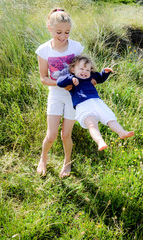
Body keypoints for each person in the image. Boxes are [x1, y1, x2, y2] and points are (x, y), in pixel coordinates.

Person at [35, 8, 84, 178]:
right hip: (55, 95)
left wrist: (88, 79)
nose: (63, 36)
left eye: (67, 32)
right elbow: (43, 78)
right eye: (58, 32)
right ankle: (43, 158)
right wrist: (62, 83)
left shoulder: (76, 47)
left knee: (66, 134)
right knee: (51, 136)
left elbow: (82, 70)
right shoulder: (43, 50)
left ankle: (67, 161)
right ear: (49, 28)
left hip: (73, 95)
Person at [57, 55, 134, 151]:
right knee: (91, 124)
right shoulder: (72, 78)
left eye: (87, 70)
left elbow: (100, 78)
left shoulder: (91, 77)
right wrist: (71, 79)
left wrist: (105, 73)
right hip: (83, 105)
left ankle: (122, 132)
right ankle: (100, 141)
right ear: (73, 69)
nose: (84, 72)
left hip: (97, 102)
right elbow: (59, 82)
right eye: (81, 69)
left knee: (110, 118)